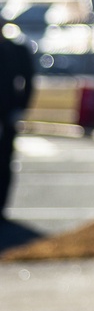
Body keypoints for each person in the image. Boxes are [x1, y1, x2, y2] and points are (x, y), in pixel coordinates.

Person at [0, 28, 35, 220]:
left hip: (7, 114)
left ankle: (1, 207)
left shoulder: (15, 50)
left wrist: (20, 108)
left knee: (4, 160)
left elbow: (28, 80)